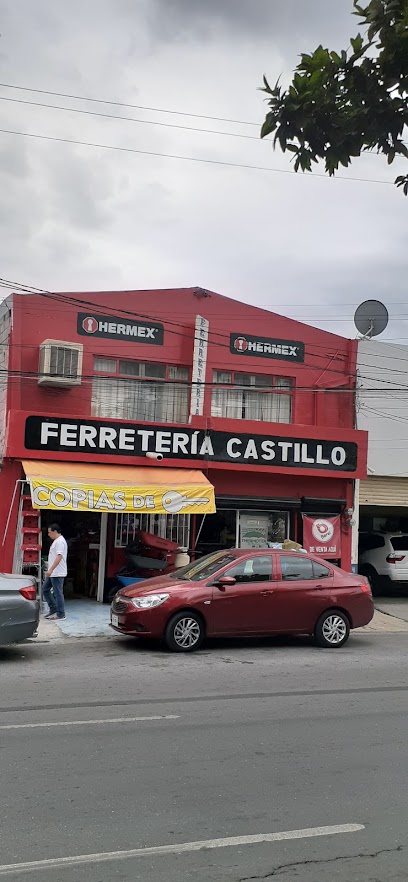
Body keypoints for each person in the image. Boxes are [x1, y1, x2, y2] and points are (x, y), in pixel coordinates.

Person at [42, 523, 68, 620]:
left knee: (58, 593)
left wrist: (51, 569)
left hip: (57, 572)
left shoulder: (60, 542)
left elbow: (59, 556)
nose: (49, 534)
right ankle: (53, 608)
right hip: (53, 572)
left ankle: (61, 614)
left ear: (55, 531)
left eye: (50, 532)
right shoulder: (56, 541)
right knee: (45, 589)